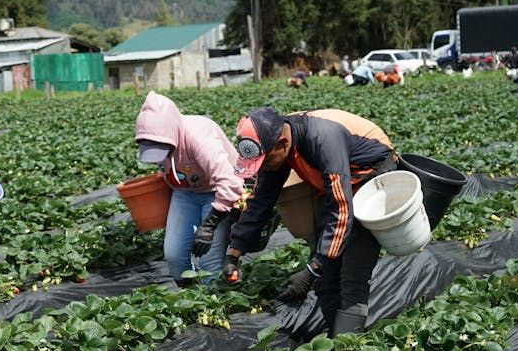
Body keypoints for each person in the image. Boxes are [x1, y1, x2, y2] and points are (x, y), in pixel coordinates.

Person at [223, 106, 397, 336]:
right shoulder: (277, 145)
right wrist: (234, 252)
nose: (263, 168)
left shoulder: (323, 139)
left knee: (352, 272)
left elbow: (342, 210)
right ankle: (337, 340)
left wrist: (312, 269)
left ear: (283, 144)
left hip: (372, 181)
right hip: (337, 186)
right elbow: (260, 201)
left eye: (264, 162)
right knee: (326, 279)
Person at [134, 91, 246, 286]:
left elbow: (230, 181)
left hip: (217, 192)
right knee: (174, 255)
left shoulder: (199, 138)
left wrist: (209, 225)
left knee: (210, 261)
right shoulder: (155, 137)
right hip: (185, 193)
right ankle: (191, 302)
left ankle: (215, 304)